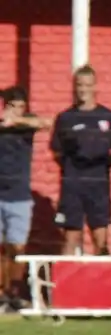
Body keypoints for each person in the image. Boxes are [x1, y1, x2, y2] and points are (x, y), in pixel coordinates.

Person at [51, 65, 111, 255]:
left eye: (87, 85)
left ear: (95, 86)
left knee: (101, 239)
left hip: (98, 184)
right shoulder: (65, 118)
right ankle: (64, 284)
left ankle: (104, 284)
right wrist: (72, 167)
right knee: (70, 238)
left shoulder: (107, 116)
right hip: (72, 185)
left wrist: (103, 165)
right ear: (74, 87)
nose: (83, 89)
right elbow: (56, 151)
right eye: (79, 85)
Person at [0, 86, 51, 311]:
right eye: (13, 107)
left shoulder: (26, 126)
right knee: (1, 249)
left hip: (19, 196)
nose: (18, 111)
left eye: (22, 107)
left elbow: (46, 123)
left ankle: (14, 292)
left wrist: (16, 121)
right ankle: (1, 294)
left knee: (17, 247)